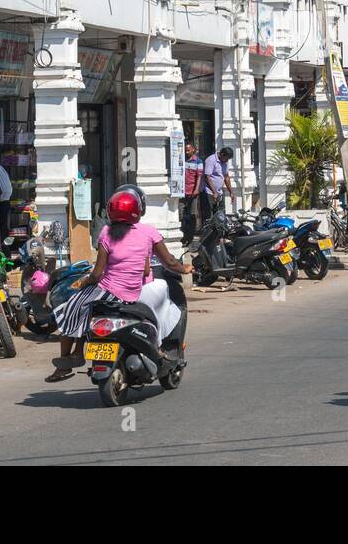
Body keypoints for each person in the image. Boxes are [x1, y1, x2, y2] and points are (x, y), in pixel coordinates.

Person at [45, 185, 193, 382]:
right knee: (82, 307)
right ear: (138, 210)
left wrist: (84, 282)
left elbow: (97, 274)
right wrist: (186, 269)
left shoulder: (106, 233)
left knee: (71, 307)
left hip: (107, 290)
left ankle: (70, 358)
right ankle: (156, 346)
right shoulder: (148, 232)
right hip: (133, 292)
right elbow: (170, 262)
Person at [182, 142, 205, 238]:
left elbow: (199, 177)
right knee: (182, 214)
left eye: (188, 150)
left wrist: (196, 189)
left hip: (192, 191)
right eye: (186, 150)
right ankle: (184, 234)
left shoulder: (198, 162)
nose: (187, 152)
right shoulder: (183, 160)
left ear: (193, 150)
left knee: (192, 214)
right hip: (183, 191)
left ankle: (191, 236)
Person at [202, 146, 234, 215]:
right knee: (210, 215)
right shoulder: (211, 160)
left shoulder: (225, 162)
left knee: (221, 215)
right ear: (222, 154)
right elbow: (207, 177)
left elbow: (226, 177)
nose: (227, 161)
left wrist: (231, 192)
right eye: (226, 158)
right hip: (209, 193)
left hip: (219, 192)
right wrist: (214, 192)